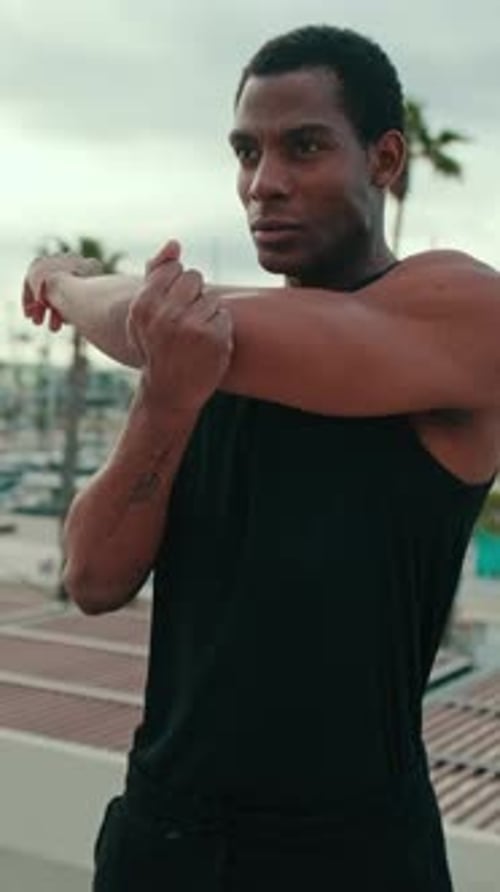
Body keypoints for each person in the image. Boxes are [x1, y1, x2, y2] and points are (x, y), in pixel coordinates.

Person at [23, 24, 500, 892]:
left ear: (385, 158)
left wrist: (61, 281)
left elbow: (148, 319)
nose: (263, 183)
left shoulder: (463, 311)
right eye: (246, 151)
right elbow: (92, 579)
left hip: (349, 853)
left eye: (304, 146)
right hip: (163, 835)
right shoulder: (199, 358)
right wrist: (166, 400)